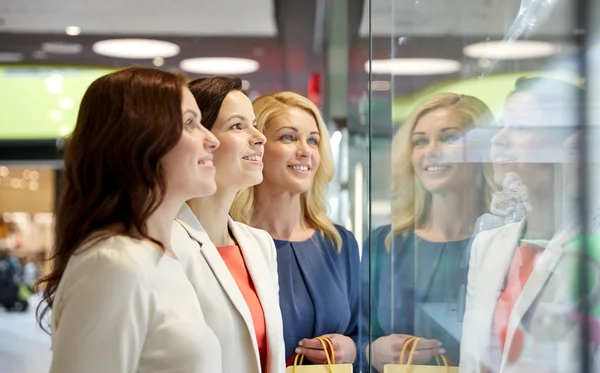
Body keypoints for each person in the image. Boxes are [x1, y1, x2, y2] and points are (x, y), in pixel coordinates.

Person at [35, 67, 223, 373]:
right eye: (190, 123)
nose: (211, 139)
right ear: (141, 139)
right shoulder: (113, 263)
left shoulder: (163, 257)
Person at [360, 93, 497, 372]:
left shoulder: (506, 243)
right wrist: (369, 351)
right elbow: (357, 332)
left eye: (449, 138)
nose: (431, 150)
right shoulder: (385, 243)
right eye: (420, 141)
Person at [460, 77, 587, 373]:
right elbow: (472, 358)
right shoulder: (488, 246)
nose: (498, 140)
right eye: (502, 126)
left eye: (521, 127)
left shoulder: (590, 248)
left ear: (571, 148)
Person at [230, 91, 360, 370]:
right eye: (288, 137)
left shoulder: (339, 243)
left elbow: (358, 332)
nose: (305, 150)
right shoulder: (229, 241)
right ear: (257, 146)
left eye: (313, 140)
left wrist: (351, 349)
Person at [171, 76, 285, 373]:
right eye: (237, 126)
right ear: (200, 140)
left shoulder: (259, 245)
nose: (259, 137)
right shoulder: (165, 245)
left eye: (255, 124)